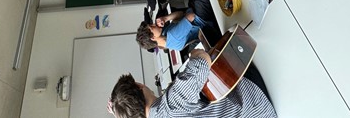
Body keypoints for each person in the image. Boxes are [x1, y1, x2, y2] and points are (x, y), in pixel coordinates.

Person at [108, 49, 277, 118]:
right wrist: (194, 54)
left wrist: (118, 111)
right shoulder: (170, 106)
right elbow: (202, 59)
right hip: (254, 104)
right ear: (139, 85)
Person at [136, 0, 220, 51]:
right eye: (152, 27)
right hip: (200, 17)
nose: (154, 24)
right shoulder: (173, 36)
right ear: (153, 38)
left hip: (192, 12)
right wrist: (184, 16)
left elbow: (180, 14)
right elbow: (191, 16)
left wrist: (165, 18)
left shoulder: (165, 34)